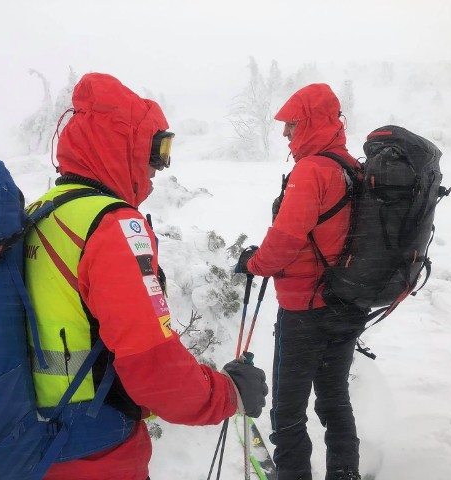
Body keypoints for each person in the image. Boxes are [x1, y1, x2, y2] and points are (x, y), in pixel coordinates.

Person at [24, 73, 268, 480]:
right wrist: (228, 394)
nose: (158, 167)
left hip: (32, 443)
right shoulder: (114, 226)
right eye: (155, 149)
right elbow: (152, 368)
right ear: (122, 146)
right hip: (95, 451)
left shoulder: (44, 211)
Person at [235, 83, 367, 480]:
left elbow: (286, 241)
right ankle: (345, 473)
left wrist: (253, 264)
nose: (285, 134)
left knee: (288, 409)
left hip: (305, 310)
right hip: (346, 305)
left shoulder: (311, 170)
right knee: (334, 399)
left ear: (309, 122)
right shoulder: (351, 168)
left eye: (291, 124)